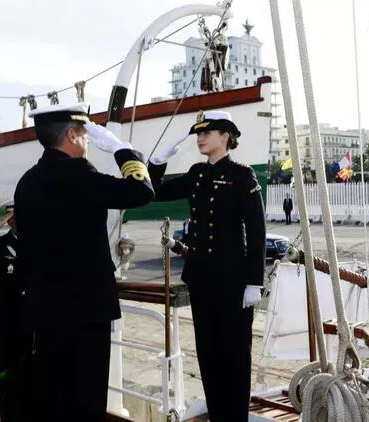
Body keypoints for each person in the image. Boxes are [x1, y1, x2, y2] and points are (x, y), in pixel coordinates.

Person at [13, 102, 154, 421]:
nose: (89, 140)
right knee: (86, 399)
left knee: (53, 395)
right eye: (86, 134)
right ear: (73, 135)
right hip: (85, 311)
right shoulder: (78, 174)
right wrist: (122, 150)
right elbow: (141, 191)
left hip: (44, 310)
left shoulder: (28, 182)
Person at [148, 110, 266, 421]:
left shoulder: (242, 175)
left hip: (232, 282)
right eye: (198, 133)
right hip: (201, 280)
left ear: (226, 136)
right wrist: (158, 162)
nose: (200, 137)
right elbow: (154, 191)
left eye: (208, 132)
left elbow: (256, 230)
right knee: (209, 354)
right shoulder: (197, 173)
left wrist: (254, 281)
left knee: (235, 356)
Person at [0, 199, 33, 422]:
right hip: (7, 324)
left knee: (34, 378)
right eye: (12, 217)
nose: (16, 221)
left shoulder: (39, 244)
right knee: (8, 381)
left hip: (35, 322)